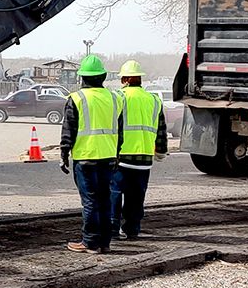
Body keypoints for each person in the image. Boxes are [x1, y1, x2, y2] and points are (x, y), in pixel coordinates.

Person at [59, 54, 123, 254]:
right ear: (103, 77)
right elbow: (119, 131)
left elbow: (68, 130)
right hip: (108, 157)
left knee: (90, 201)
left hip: (85, 158)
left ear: (82, 78)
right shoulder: (115, 98)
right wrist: (117, 153)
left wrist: (63, 155)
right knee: (105, 200)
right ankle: (104, 242)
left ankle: (90, 242)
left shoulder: (76, 98)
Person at [111, 60, 168, 240]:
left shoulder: (119, 97)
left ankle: (113, 228)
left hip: (122, 156)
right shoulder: (154, 100)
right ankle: (132, 229)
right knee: (136, 196)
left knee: (115, 193)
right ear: (140, 79)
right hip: (144, 159)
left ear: (125, 79)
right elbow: (161, 130)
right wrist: (160, 151)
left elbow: (114, 127)